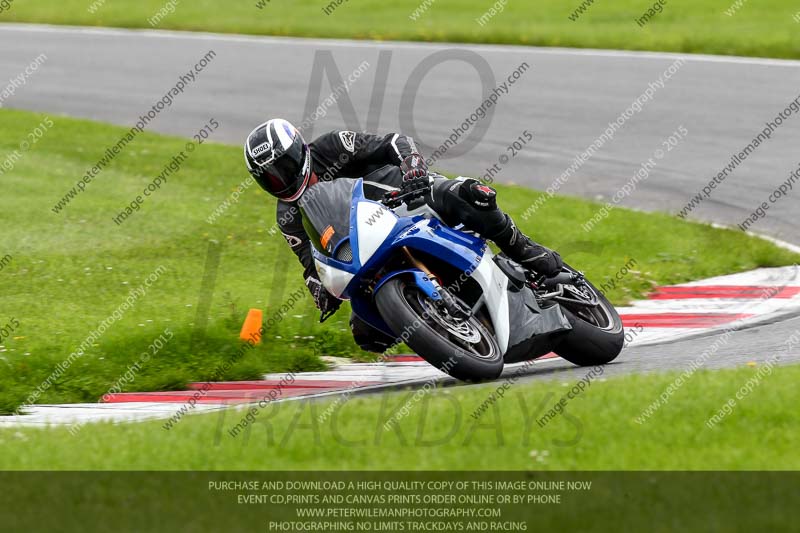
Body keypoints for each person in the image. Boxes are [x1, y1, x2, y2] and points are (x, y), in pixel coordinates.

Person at [243, 118, 562, 352]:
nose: (279, 179)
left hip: (405, 199)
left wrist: (413, 167)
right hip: (366, 251)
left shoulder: (332, 145)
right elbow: (310, 261)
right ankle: (440, 330)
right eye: (268, 176)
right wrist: (319, 289)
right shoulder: (287, 216)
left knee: (467, 196)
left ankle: (523, 247)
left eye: (283, 167)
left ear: (300, 150)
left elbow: (393, 142)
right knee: (366, 333)